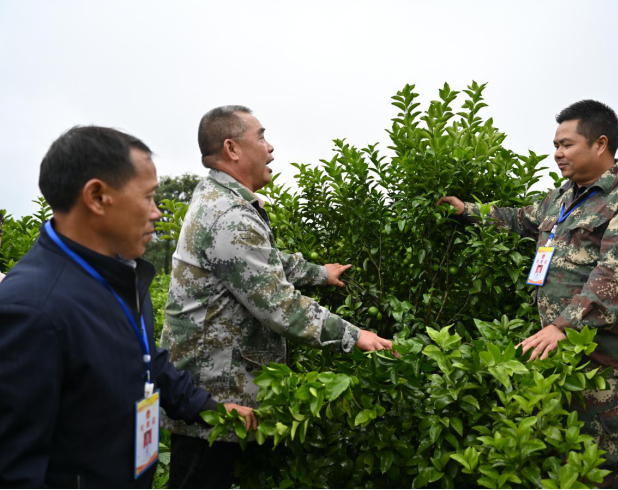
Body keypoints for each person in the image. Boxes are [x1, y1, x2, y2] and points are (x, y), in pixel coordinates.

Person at [0, 126, 254, 488]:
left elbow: (147, 358)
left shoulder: (120, 276)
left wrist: (212, 410)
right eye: (149, 197)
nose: (157, 213)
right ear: (98, 197)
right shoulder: (32, 310)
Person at [437, 100, 618, 488]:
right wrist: (467, 211)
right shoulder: (562, 197)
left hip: (600, 359)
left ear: (600, 143)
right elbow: (519, 218)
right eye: (555, 145)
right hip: (553, 349)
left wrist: (564, 325)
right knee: (556, 456)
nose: (557, 153)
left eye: (566, 144)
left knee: (596, 464)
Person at [160, 105, 394, 488]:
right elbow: (279, 305)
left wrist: (319, 273)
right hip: (214, 397)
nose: (270, 149)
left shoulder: (219, 197)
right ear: (232, 149)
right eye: (261, 137)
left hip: (216, 390)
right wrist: (357, 337)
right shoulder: (229, 215)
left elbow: (256, 261)